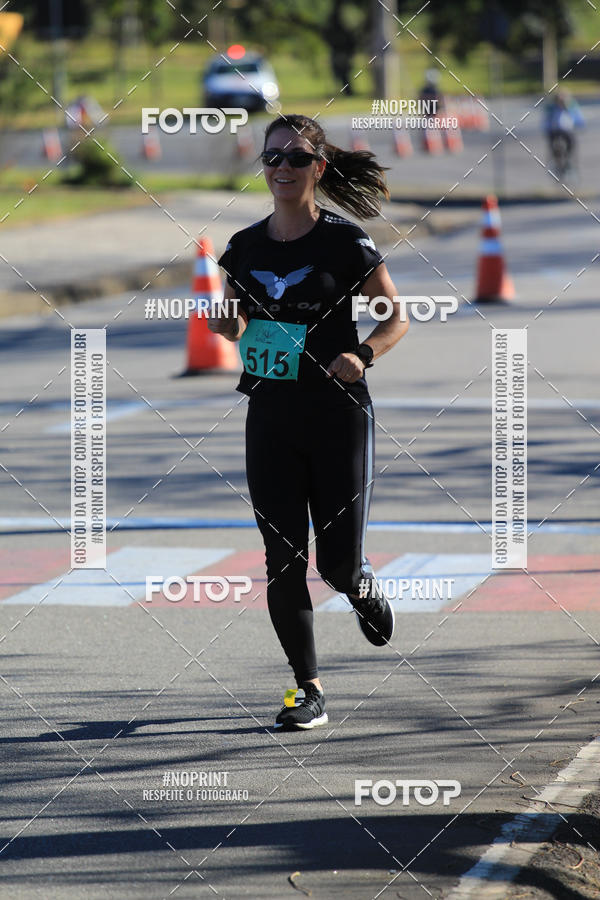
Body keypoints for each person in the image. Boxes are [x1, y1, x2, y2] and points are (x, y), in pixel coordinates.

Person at [210, 113, 409, 730]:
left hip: (337, 416)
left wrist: (365, 353)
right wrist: (225, 328)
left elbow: (395, 315)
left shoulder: (345, 243)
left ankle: (360, 583)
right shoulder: (244, 247)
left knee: (336, 566)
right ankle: (308, 688)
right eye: (272, 159)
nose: (282, 170)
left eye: (296, 159)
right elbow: (237, 323)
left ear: (319, 168)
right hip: (270, 414)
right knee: (282, 557)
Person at [543, 90, 584, 177]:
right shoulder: (552, 108)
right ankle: (556, 161)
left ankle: (568, 160)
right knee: (553, 146)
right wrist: (547, 130)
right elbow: (546, 121)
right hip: (554, 130)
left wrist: (580, 125)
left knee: (571, 144)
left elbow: (578, 118)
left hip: (567, 130)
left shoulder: (571, 107)